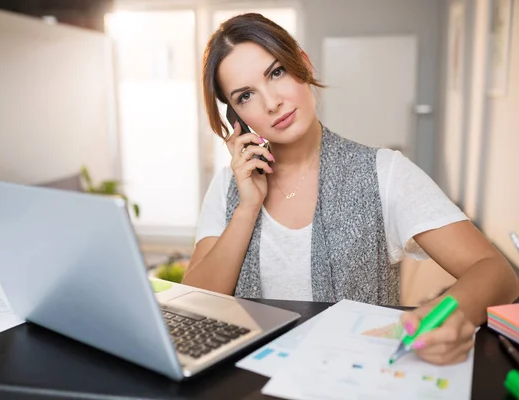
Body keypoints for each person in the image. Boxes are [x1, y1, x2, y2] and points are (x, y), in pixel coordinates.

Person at [182, 13, 519, 365]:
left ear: (303, 64)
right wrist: (247, 208)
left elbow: (497, 272)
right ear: (236, 119)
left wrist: (451, 312)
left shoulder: (383, 172)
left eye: (276, 72)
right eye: (246, 95)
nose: (271, 102)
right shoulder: (228, 188)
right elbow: (196, 304)